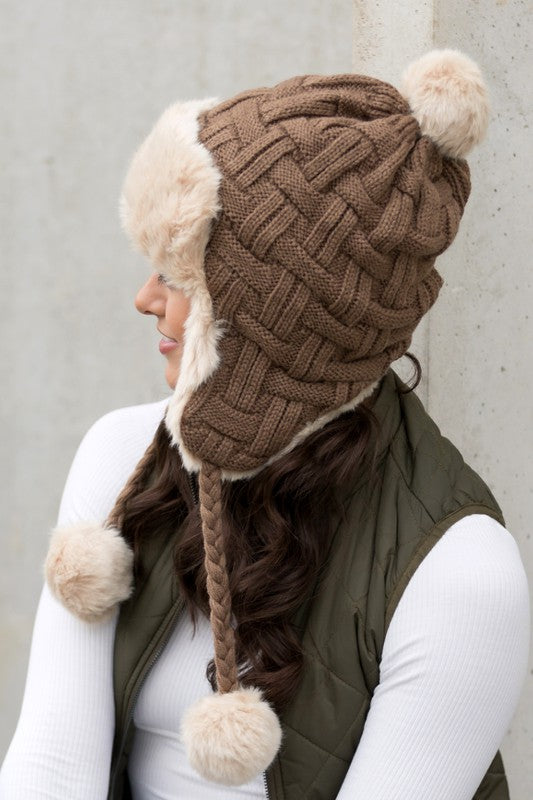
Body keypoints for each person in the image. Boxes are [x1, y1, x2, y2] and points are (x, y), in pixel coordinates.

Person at [0, 48, 530, 800]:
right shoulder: (121, 459)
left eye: (182, 276)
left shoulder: (459, 572)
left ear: (274, 323)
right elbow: (50, 772)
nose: (144, 298)